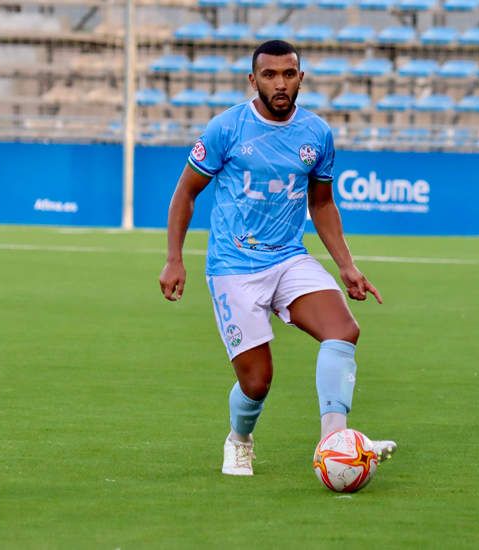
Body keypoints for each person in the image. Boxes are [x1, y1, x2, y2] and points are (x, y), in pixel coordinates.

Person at [158, 40, 397, 476]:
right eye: (270, 75)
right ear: (254, 80)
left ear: (301, 78)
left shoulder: (317, 134)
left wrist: (346, 266)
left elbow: (322, 204)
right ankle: (239, 440)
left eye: (289, 74)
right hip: (234, 267)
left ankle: (335, 443)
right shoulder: (226, 129)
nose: (280, 83)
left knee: (342, 329)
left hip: (289, 258)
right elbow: (185, 193)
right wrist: (174, 259)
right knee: (256, 382)